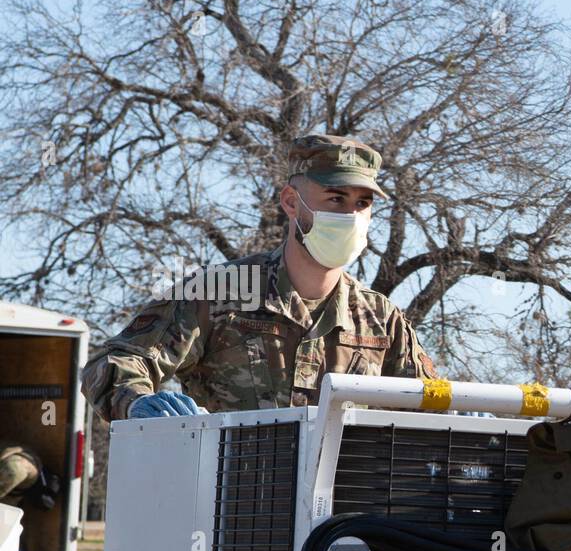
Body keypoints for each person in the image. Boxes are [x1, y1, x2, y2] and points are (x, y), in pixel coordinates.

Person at [82, 135, 438, 421]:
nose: (351, 215)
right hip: (231, 497)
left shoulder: (380, 318)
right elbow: (114, 363)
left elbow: (433, 409)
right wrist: (138, 403)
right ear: (291, 203)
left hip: (341, 505)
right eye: (335, 198)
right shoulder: (219, 292)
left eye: (362, 204)